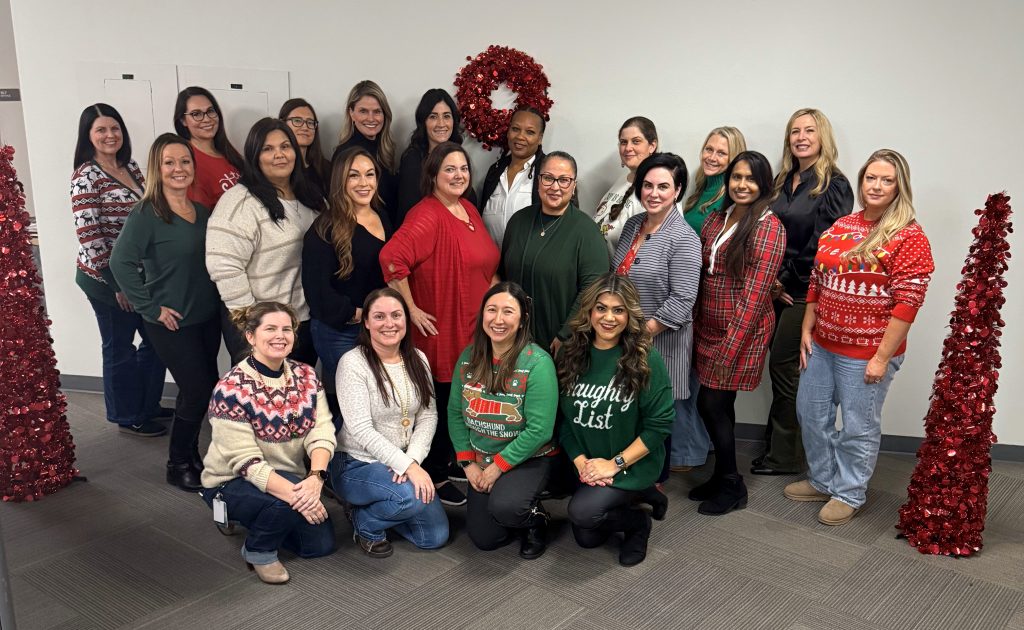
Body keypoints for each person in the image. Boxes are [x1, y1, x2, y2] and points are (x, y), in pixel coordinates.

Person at [786, 149, 934, 525]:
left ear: (900, 185)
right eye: (871, 178)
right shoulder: (843, 225)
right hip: (823, 344)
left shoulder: (908, 235)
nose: (877, 186)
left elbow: (908, 304)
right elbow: (818, 279)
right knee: (812, 414)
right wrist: (807, 327)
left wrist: (882, 357)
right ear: (861, 181)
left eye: (887, 179)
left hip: (867, 352)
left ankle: (848, 492)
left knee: (857, 425)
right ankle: (822, 479)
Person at [380, 141, 500, 507]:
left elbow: (486, 264)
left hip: (472, 325)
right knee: (444, 402)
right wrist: (411, 308)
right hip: (442, 327)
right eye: (449, 169)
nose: (458, 175)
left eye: (463, 168)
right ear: (432, 174)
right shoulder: (428, 215)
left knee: (462, 400)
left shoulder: (467, 209)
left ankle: (450, 464)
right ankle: (431, 471)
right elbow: (392, 258)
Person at [110, 133, 222, 491]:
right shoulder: (147, 214)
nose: (179, 169)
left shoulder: (202, 213)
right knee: (197, 389)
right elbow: (120, 262)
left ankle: (193, 456)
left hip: (206, 316)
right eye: (169, 162)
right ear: (157, 170)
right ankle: (178, 463)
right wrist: (150, 307)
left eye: (185, 162)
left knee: (203, 389)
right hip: (172, 322)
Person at [201, 302, 336, 585]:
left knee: (319, 546)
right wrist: (299, 497)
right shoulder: (231, 388)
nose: (280, 336)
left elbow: (321, 429)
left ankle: (264, 514)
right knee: (284, 505)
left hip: (291, 477)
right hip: (232, 480)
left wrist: (315, 477)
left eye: (287, 329)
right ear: (250, 336)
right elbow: (246, 462)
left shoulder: (306, 375)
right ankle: (258, 550)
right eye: (270, 328)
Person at [754, 108, 854, 477]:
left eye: (809, 130)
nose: (801, 137)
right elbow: (767, 232)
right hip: (774, 287)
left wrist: (786, 279)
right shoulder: (783, 180)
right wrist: (772, 279)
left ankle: (785, 456)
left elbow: (826, 244)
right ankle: (775, 446)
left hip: (805, 292)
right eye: (795, 131)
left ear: (822, 136)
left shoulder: (834, 184)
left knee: (785, 367)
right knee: (782, 370)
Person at [557, 273, 674, 566]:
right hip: (591, 465)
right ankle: (643, 496)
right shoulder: (571, 354)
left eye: (618, 310)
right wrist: (580, 461)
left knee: (583, 514)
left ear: (629, 315)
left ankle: (638, 523)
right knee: (587, 538)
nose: (609, 318)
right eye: (601, 308)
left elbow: (660, 425)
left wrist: (615, 464)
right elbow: (564, 421)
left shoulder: (645, 359)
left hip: (630, 462)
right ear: (589, 311)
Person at [692, 151, 785, 515]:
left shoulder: (768, 226)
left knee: (710, 403)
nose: (742, 185)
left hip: (741, 331)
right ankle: (721, 476)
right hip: (709, 326)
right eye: (736, 178)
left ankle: (732, 484)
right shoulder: (719, 217)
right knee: (720, 406)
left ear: (763, 184)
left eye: (750, 179)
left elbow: (753, 296)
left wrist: (728, 349)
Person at [71, 102, 167, 437]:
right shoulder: (86, 177)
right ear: (88, 136)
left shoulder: (132, 166)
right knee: (119, 346)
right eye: (101, 130)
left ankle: (147, 403)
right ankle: (127, 415)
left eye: (114, 128)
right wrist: (117, 285)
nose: (110, 135)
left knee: (155, 341)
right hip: (105, 280)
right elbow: (90, 237)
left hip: (137, 275)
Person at [332, 288, 449, 557]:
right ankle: (366, 524)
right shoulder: (353, 364)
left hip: (402, 461)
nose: (389, 323)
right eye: (380, 316)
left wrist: (414, 461)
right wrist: (406, 466)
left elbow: (428, 415)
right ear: (367, 323)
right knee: (408, 497)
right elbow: (361, 430)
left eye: (396, 315)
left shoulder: (417, 359)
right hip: (357, 462)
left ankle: (380, 504)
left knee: (434, 537)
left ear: (406, 321)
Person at [449, 282, 558, 558]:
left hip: (527, 458)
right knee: (487, 538)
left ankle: (536, 519)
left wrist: (497, 467)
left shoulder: (537, 362)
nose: (498, 319)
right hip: (481, 458)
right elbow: (455, 413)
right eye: (491, 310)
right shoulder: (468, 358)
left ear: (522, 320)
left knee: (507, 508)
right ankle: (512, 505)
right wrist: (468, 463)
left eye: (508, 312)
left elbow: (539, 431)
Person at [612, 153, 705, 475]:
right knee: (628, 412)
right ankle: (624, 476)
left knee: (655, 416)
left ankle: (652, 483)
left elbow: (681, 301)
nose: (653, 193)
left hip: (660, 343)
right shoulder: (634, 225)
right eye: (647, 185)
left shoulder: (684, 238)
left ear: (677, 190)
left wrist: (638, 335)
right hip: (624, 338)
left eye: (663, 186)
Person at [206, 117, 325, 366]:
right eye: (268, 149)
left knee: (296, 396)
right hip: (260, 324)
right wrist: (255, 323)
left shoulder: (311, 197)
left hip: (301, 320)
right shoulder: (240, 203)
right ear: (254, 156)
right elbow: (224, 267)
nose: (279, 155)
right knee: (261, 399)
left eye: (285, 146)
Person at [672, 126, 747, 472]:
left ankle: (690, 453)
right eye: (709, 149)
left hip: (709, 299)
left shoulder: (730, 199)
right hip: (692, 294)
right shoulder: (699, 191)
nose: (712, 157)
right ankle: (698, 446)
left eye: (722, 153)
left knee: (694, 382)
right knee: (691, 378)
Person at [302, 147, 392, 426]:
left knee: (375, 401)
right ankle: (332, 465)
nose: (363, 183)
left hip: (375, 328)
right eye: (354, 176)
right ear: (340, 181)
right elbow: (317, 293)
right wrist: (358, 314)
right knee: (351, 406)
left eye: (369, 174)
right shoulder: (324, 229)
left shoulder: (382, 216)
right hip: (340, 331)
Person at [500, 151, 609, 353]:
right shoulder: (518, 221)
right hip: (512, 337)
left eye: (564, 180)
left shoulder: (586, 231)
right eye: (548, 178)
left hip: (558, 344)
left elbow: (593, 290)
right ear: (539, 181)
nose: (555, 187)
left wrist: (565, 334)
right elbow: (503, 275)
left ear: (574, 186)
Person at [395, 88, 476, 225]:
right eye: (433, 116)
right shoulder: (413, 160)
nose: (441, 124)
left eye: (446, 116)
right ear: (423, 122)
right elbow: (410, 213)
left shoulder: (459, 157)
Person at [332, 80, 399, 222]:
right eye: (363, 111)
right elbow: (341, 207)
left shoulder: (385, 149)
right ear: (351, 113)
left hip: (386, 230)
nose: (371, 118)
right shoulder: (345, 153)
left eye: (377, 112)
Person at [479, 107, 546, 246]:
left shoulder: (549, 172)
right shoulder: (494, 171)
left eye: (530, 132)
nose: (520, 137)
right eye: (515, 129)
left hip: (529, 264)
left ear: (540, 138)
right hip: (493, 263)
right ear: (508, 132)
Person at [593, 116, 658, 256]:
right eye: (623, 142)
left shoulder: (656, 191)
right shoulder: (622, 180)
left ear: (652, 146)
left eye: (636, 141)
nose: (628, 148)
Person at [173, 86, 243, 209]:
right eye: (196, 114)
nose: (207, 119)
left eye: (210, 111)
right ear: (183, 120)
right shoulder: (186, 161)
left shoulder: (228, 152)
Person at [279, 97, 330, 198]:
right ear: (282, 123)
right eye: (297, 121)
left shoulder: (326, 168)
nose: (305, 127)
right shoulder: (278, 167)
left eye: (310, 122)